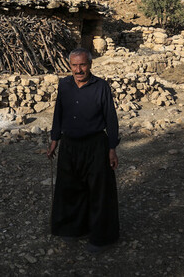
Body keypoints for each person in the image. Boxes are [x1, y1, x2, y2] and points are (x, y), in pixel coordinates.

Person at [47, 47, 120, 253]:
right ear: (70, 66)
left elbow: (111, 119)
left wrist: (112, 148)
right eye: (74, 65)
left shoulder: (101, 86)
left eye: (83, 65)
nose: (78, 70)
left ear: (90, 65)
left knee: (99, 192)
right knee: (70, 188)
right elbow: (58, 113)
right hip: (69, 145)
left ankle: (101, 238)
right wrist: (54, 139)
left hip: (96, 144)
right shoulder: (64, 85)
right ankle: (73, 229)